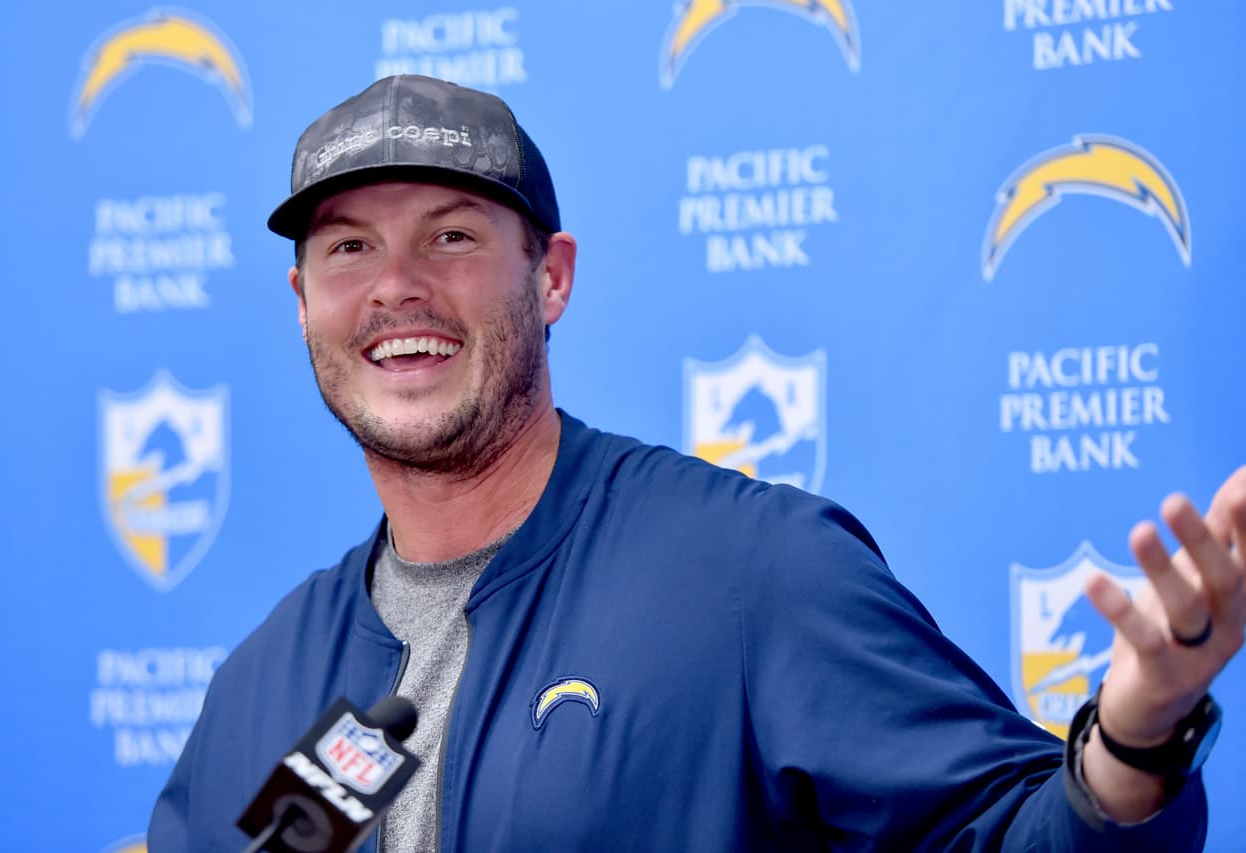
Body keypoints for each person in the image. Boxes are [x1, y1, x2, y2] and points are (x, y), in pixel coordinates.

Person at [148, 74, 1245, 852]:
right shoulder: (263, 677)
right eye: (348, 248)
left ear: (551, 279)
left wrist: (1133, 741)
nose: (395, 289)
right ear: (303, 306)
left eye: (451, 236)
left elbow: (1002, 834)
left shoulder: (749, 571)